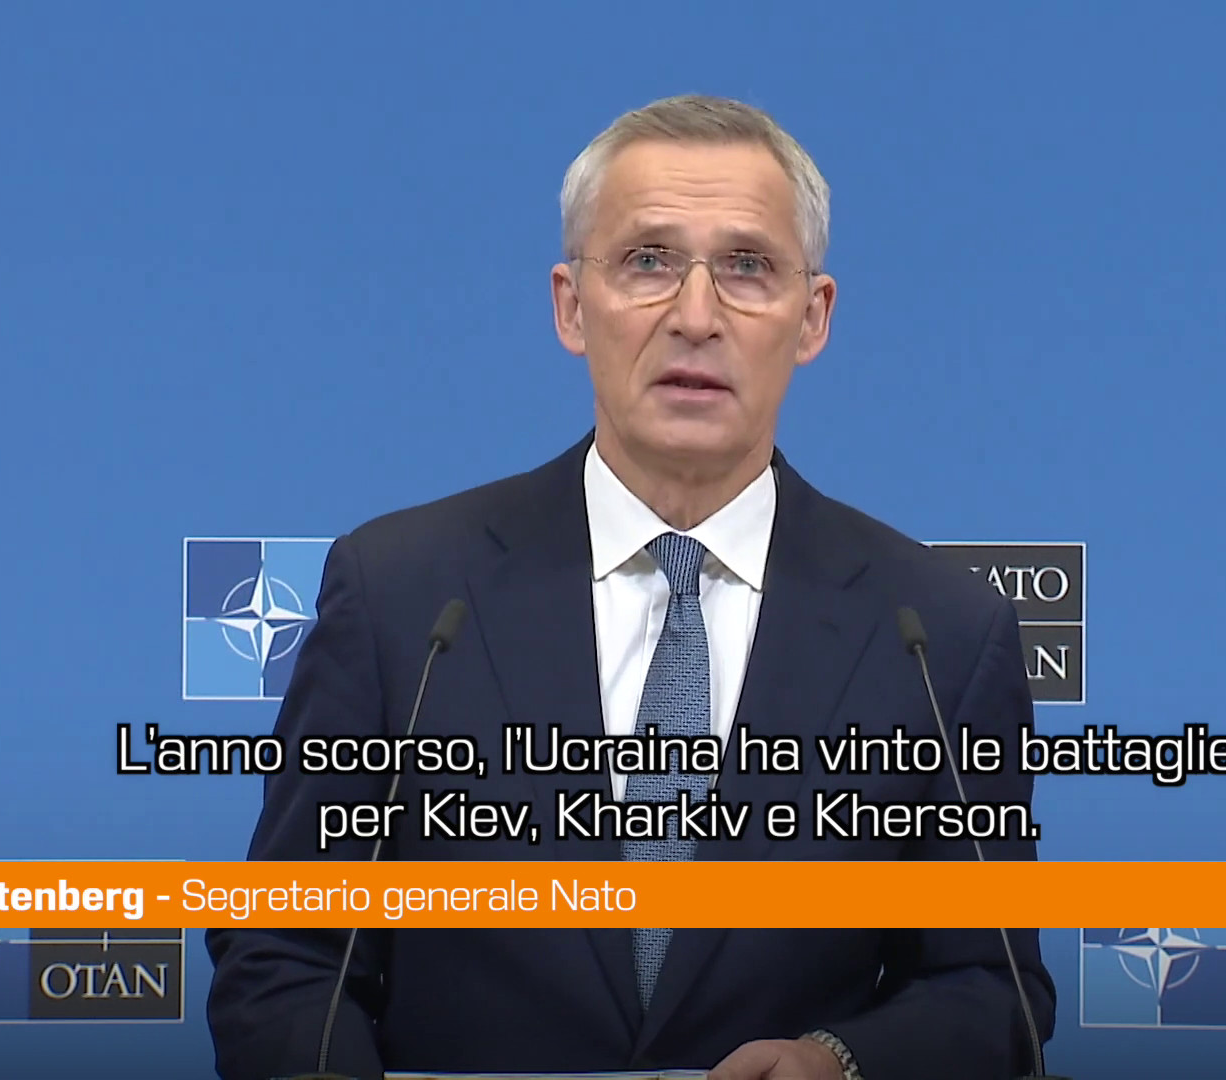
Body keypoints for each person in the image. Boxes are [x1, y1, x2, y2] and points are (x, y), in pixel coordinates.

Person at [205, 93, 1055, 1080]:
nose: (695, 317)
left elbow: (991, 988)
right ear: (572, 305)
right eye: (649, 261)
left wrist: (839, 1062)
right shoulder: (401, 595)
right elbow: (284, 954)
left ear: (813, 317)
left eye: (747, 266)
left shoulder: (939, 633)